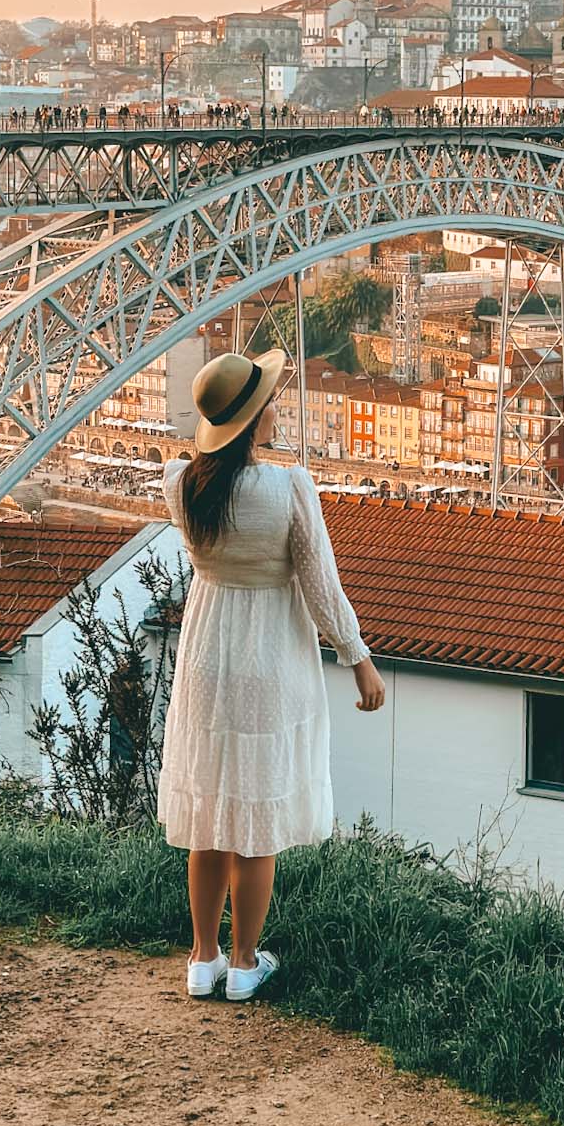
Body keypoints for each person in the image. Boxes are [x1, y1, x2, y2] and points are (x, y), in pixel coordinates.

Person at [157, 350, 385, 1003]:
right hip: (267, 662)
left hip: (206, 656)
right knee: (255, 828)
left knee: (208, 818)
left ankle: (203, 959)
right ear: (255, 419)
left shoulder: (181, 484)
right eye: (271, 401)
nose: (279, 407)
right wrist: (357, 656)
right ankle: (245, 963)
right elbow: (320, 585)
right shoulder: (287, 490)